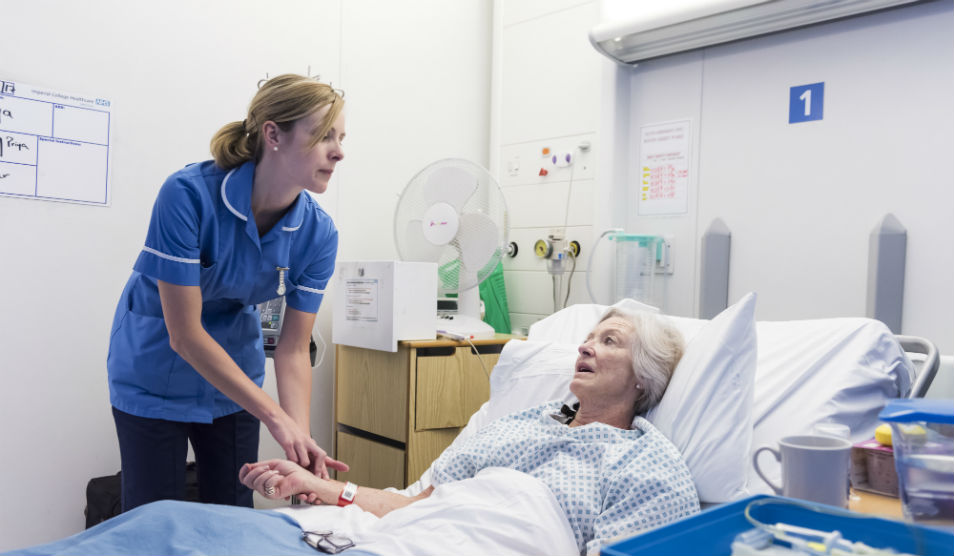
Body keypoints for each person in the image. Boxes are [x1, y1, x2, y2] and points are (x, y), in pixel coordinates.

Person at [240, 308, 701, 554]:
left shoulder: (644, 462)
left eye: (609, 340)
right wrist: (320, 487)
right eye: (589, 336)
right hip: (423, 533)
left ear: (643, 375)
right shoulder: (526, 424)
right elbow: (419, 503)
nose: (585, 345)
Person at [106, 73, 348, 512]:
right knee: (154, 519)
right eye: (323, 135)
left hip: (235, 377)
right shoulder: (187, 195)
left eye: (341, 137)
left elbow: (293, 350)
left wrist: (301, 446)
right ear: (273, 134)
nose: (339, 151)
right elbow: (185, 334)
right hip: (154, 367)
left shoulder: (319, 233)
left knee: (233, 512)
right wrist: (274, 417)